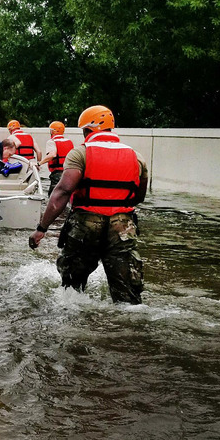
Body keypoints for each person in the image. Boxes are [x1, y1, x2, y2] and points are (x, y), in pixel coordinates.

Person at [28, 105, 149, 305]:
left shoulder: (80, 154)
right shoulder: (136, 157)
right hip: (123, 227)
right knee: (127, 297)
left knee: (72, 291)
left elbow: (63, 191)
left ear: (87, 130)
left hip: (86, 225)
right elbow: (139, 197)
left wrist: (42, 229)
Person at [36, 121, 75, 197]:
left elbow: (52, 154)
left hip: (58, 172)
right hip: (69, 172)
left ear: (52, 131)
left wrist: (39, 163)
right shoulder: (69, 142)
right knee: (66, 195)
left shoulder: (51, 142)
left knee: (53, 196)